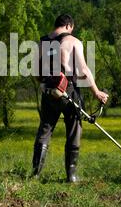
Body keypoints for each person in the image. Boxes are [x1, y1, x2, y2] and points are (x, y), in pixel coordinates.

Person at [32, 14, 109, 183]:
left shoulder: (42, 42)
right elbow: (83, 69)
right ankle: (71, 176)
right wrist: (96, 92)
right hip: (69, 91)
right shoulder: (73, 42)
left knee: (45, 130)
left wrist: (46, 85)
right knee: (74, 130)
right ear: (68, 26)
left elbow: (36, 73)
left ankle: (35, 174)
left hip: (48, 92)